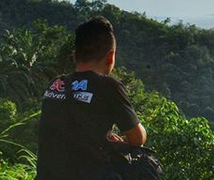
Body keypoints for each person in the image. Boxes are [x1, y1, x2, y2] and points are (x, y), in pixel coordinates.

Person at [36, 16, 147, 180]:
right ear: (111, 57)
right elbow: (138, 138)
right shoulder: (109, 86)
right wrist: (119, 141)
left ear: (75, 56)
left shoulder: (56, 84)